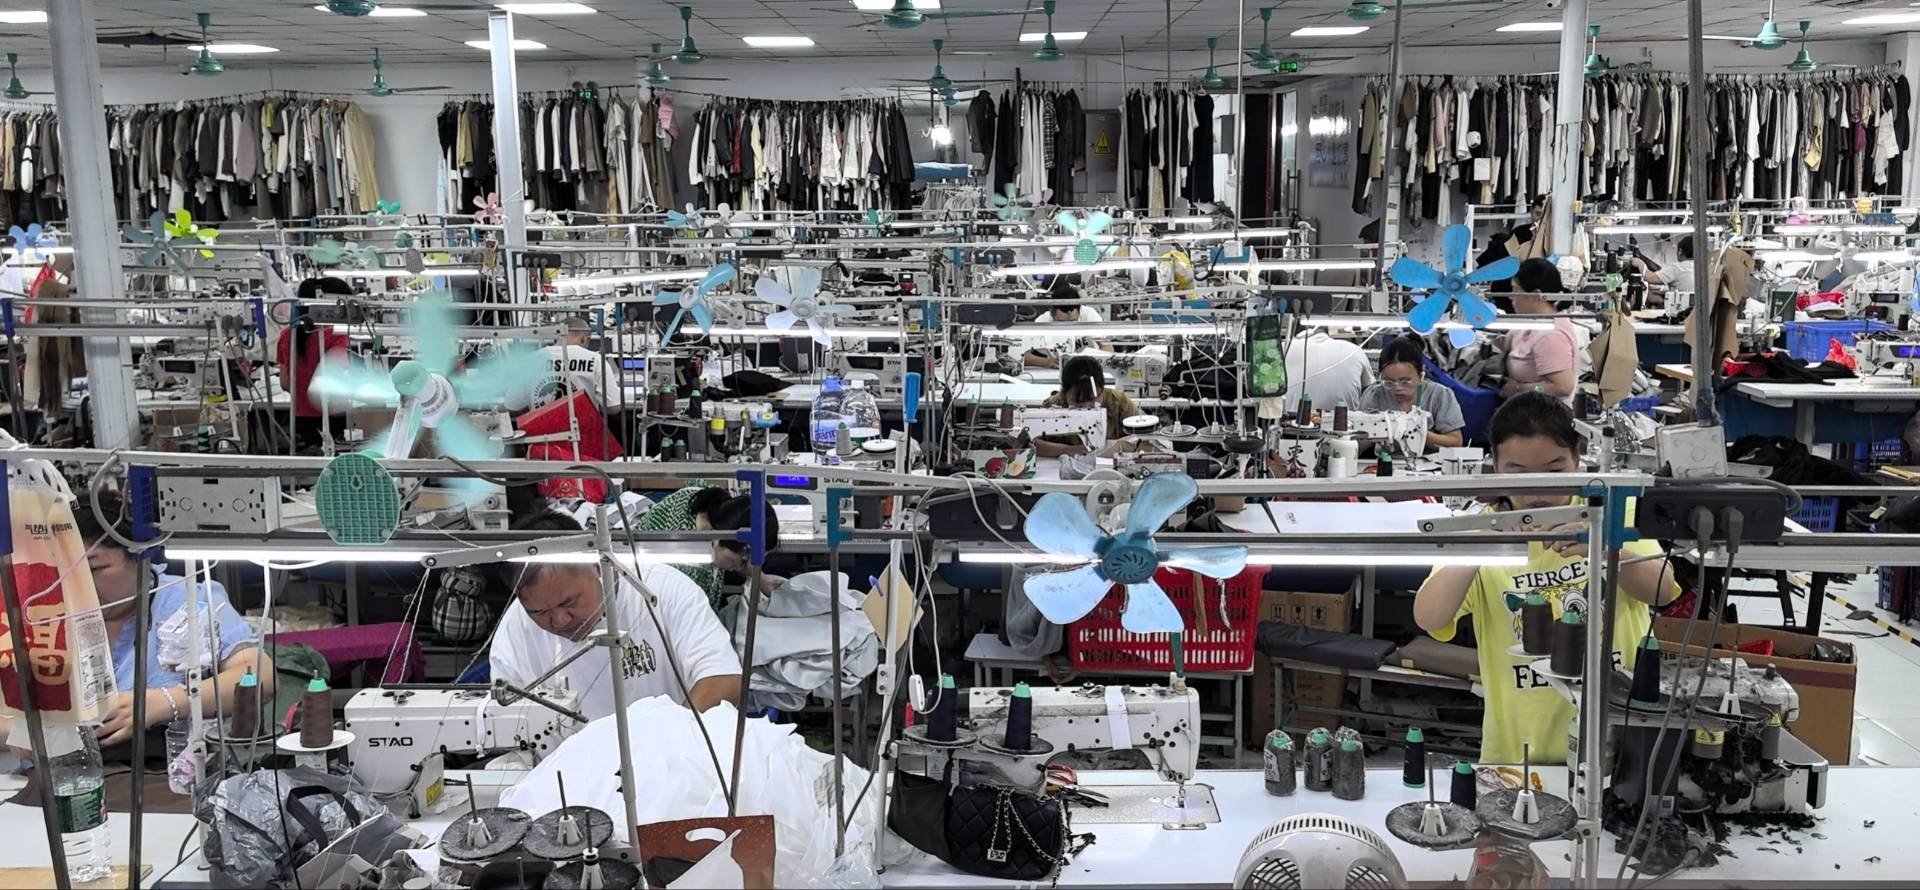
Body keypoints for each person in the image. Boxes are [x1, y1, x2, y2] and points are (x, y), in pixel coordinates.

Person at [1413, 393, 1678, 764]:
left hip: (1621, 739)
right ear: (1495, 467)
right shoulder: (1481, 529)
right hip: (1521, 751)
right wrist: (1483, 545)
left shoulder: (1611, 515)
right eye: (1519, 474)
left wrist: (1602, 549)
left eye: (1554, 472)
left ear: (1577, 459)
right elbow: (1429, 617)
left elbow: (1662, 590)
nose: (1537, 491)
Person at [491, 509, 741, 721]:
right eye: (539, 612)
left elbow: (724, 679)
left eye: (569, 602)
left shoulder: (664, 591)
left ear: (596, 565)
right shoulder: (514, 631)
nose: (559, 620)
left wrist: (665, 741)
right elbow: (504, 719)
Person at [71, 493, 274, 749]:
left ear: (139, 556)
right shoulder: (46, 614)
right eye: (65, 572)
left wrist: (167, 702)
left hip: (172, 761)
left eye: (93, 569)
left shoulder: (190, 599)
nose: (77, 584)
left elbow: (261, 677)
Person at [635, 484, 783, 609]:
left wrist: (761, 579)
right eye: (743, 563)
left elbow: (738, 554)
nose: (740, 568)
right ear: (722, 539)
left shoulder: (713, 504)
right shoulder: (687, 563)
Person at [277, 277, 353, 452]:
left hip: (299, 418)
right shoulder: (335, 333)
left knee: (308, 461)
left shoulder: (287, 335)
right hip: (332, 417)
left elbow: (285, 383)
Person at [1355, 336, 1465, 449]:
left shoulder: (1439, 395)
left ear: (1420, 376)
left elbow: (1456, 442)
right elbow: (1356, 444)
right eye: (1389, 382)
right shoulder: (1374, 394)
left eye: (1405, 382)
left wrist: (1418, 433)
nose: (1397, 388)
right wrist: (1379, 430)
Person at [1501, 258, 1581, 405]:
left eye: (1515, 291)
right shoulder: (1532, 322)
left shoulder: (1551, 335)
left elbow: (1562, 387)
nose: (1511, 297)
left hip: (1545, 415)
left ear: (1535, 295)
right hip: (1525, 410)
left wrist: (1519, 389)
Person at [1034, 355, 1140, 457]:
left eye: (1092, 400)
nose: (1085, 406)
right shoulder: (1053, 405)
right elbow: (1032, 443)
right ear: (1064, 393)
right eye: (1077, 401)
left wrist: (1114, 446)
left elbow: (1142, 436)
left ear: (1102, 389)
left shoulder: (1119, 402)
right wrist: (1069, 450)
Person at [1281, 328, 1374, 416]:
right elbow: (1371, 392)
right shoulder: (1355, 350)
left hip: (1290, 422)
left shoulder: (1283, 348)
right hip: (1345, 423)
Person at [1023, 281, 1106, 368]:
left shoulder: (1089, 315)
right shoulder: (1042, 322)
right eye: (1061, 322)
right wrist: (1047, 362)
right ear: (1051, 312)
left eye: (1073, 321)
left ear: (1079, 310)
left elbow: (1107, 347)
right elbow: (1024, 355)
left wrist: (1094, 363)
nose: (1068, 327)